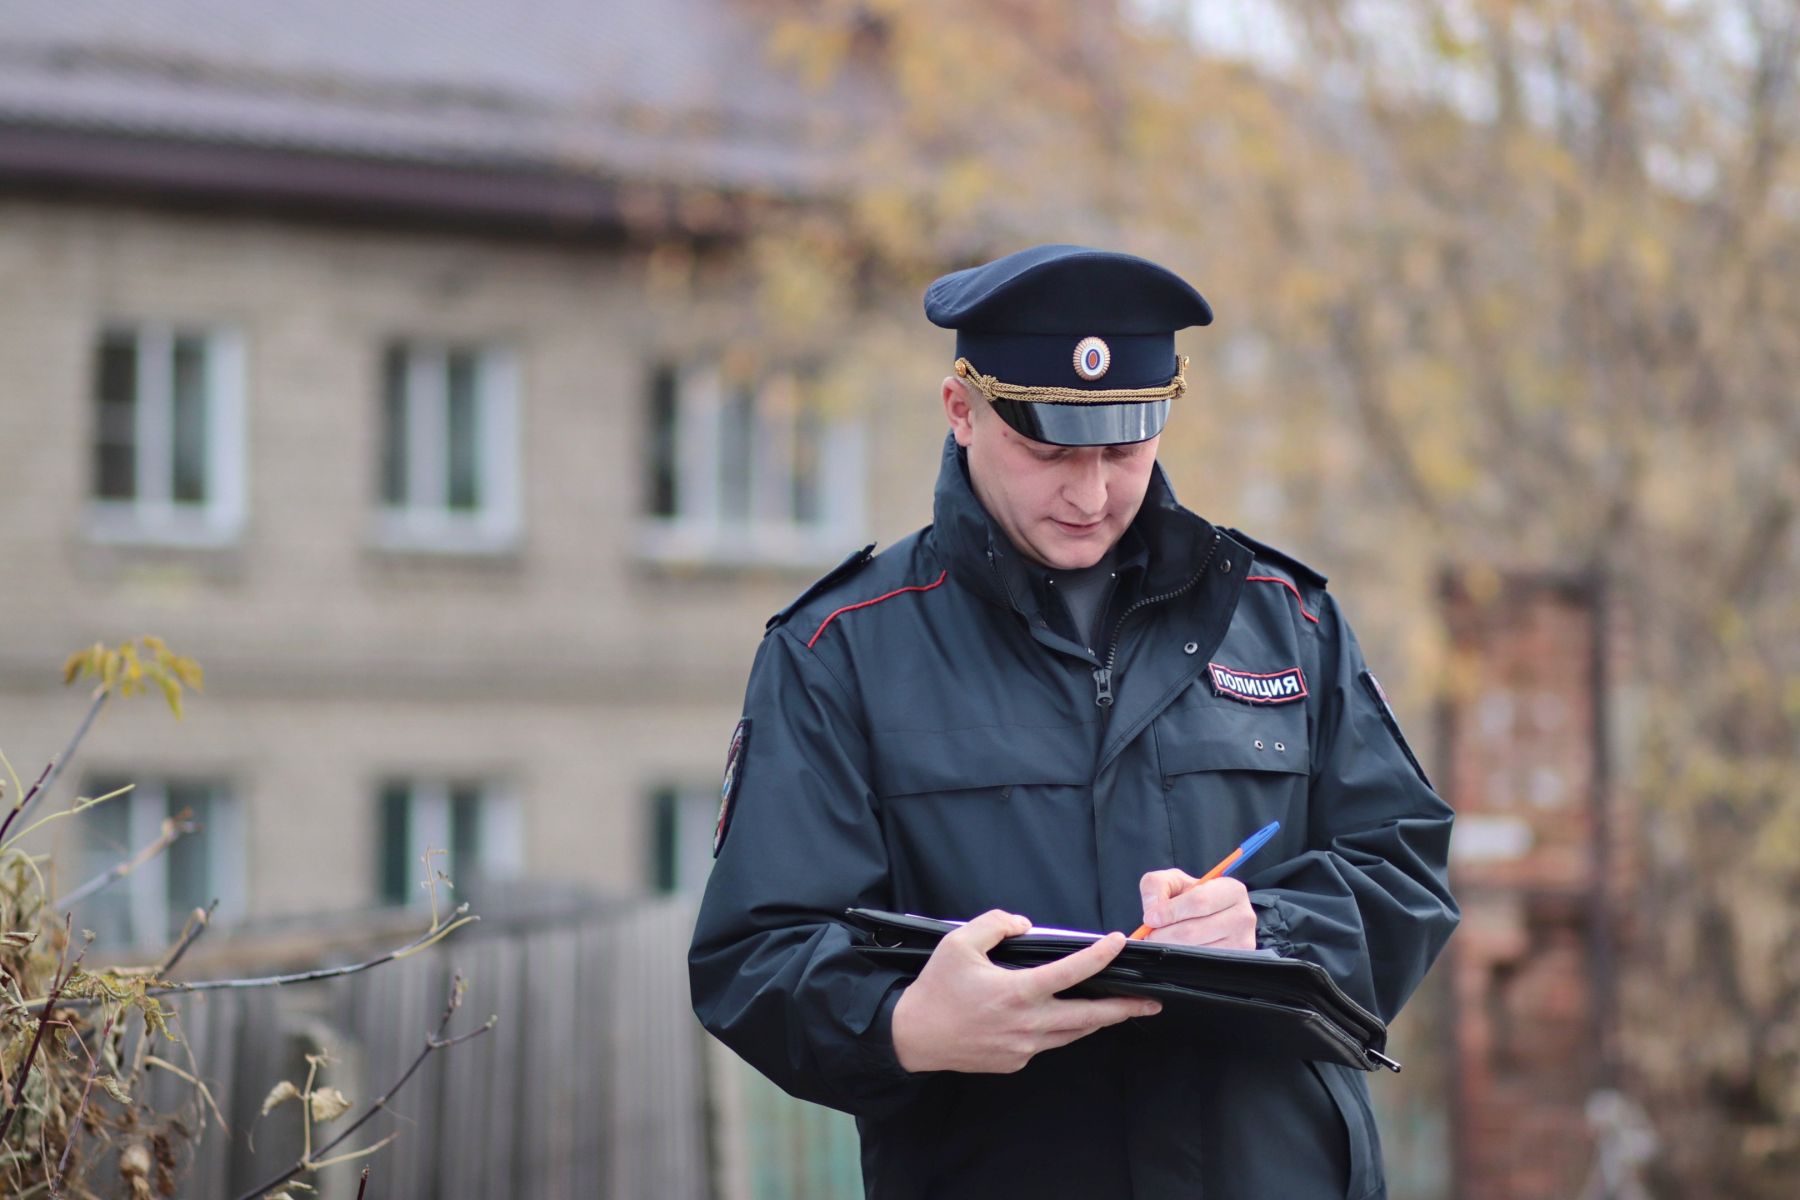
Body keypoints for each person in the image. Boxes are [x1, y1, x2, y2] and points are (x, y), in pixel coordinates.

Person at [689, 244, 1458, 1198]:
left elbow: (1404, 864)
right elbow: (755, 951)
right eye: (1051, 451)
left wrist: (1270, 929)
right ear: (962, 411)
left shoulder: (1282, 620)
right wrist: (903, 1023)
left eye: (1124, 451)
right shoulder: (841, 650)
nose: (1090, 495)